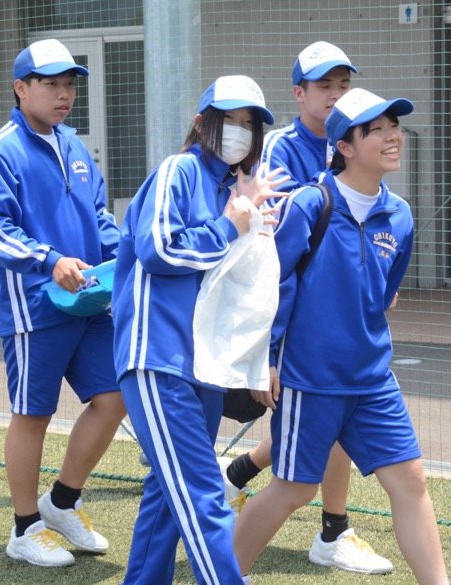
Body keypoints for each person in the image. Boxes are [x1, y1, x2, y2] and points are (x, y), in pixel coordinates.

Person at [233, 89, 449, 585]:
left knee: (411, 481)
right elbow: (273, 283)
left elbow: (384, 295)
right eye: (377, 130)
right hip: (310, 378)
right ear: (345, 147)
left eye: (394, 126)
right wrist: (264, 359)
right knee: (293, 490)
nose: (393, 136)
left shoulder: (400, 215)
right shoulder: (311, 203)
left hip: (372, 377)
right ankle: (221, 573)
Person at [221, 41, 394, 574]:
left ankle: (322, 524)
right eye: (324, 87)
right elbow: (276, 242)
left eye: (343, 85)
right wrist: (269, 345)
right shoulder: (278, 148)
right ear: (299, 94)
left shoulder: (364, 146)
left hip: (341, 326)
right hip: (289, 319)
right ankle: (312, 529)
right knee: (314, 429)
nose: (336, 95)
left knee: (326, 421)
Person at [112, 75, 287, 585]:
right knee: (202, 493)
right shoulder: (179, 170)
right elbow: (158, 249)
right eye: (228, 119)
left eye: (249, 123)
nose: (238, 131)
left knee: (169, 495)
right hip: (158, 357)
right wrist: (231, 224)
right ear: (200, 122)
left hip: (203, 365)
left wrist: (248, 221)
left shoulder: (234, 189)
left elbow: (241, 290)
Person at [0, 38, 125, 568]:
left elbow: (99, 216)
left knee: (113, 397)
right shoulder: (1, 148)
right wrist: (48, 258)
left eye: (70, 85)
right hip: (34, 307)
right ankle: (24, 527)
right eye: (52, 84)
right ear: (21, 88)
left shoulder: (75, 147)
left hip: (90, 300)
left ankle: (60, 502)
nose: (64, 95)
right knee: (33, 416)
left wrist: (124, 254)